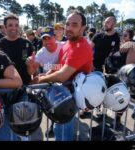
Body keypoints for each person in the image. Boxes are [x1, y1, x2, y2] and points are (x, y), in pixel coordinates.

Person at [32, 10, 93, 141]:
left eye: (74, 25)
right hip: (64, 96)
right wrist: (47, 73)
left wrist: (41, 79)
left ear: (83, 28)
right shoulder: (68, 43)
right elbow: (60, 65)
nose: (69, 28)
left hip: (71, 98)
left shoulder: (81, 46)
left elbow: (62, 75)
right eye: (67, 24)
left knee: (63, 131)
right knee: (60, 128)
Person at [26, 26, 64, 138]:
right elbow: (31, 72)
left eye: (49, 38)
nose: (47, 41)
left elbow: (64, 65)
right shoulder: (41, 53)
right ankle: (53, 124)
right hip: (50, 83)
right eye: (44, 39)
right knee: (51, 107)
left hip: (64, 82)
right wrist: (31, 64)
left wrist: (47, 74)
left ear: (55, 37)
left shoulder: (63, 46)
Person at [0, 14, 34, 85]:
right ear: (5, 27)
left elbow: (32, 72)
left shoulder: (27, 44)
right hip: (5, 88)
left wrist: (30, 65)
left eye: (16, 25)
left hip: (25, 86)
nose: (14, 28)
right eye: (10, 25)